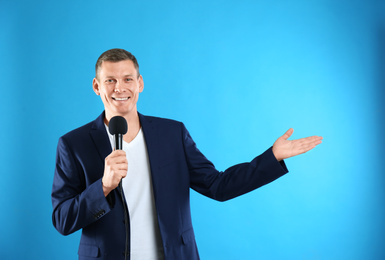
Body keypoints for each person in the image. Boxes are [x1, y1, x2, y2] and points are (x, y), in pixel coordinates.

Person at [51, 48, 323, 260]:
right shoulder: (73, 144)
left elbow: (219, 186)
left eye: (127, 79)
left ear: (140, 83)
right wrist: (103, 186)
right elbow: (62, 219)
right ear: (97, 87)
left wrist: (272, 157)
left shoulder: (172, 134)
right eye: (110, 80)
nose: (119, 88)